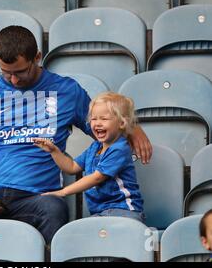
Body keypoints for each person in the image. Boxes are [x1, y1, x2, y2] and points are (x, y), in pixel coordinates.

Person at [0, 26, 152, 246]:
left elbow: (107, 122)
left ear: (37, 58)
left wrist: (133, 128)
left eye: (20, 72)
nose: (14, 80)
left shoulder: (67, 90)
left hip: (36, 199)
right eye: (6, 73)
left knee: (53, 208)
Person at [33, 92, 144, 222]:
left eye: (104, 119)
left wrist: (63, 192)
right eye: (93, 118)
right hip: (101, 212)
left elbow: (97, 177)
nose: (97, 123)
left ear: (122, 123)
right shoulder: (95, 147)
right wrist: (54, 151)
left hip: (123, 211)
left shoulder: (120, 148)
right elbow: (72, 167)